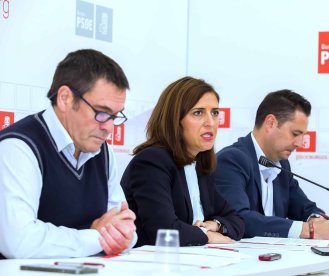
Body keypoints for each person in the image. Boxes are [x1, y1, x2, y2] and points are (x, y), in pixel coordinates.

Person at [0, 49, 137, 259]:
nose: (109, 128)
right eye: (101, 113)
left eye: (115, 116)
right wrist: (96, 237)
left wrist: (123, 236)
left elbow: (121, 227)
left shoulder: (103, 153)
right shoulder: (18, 146)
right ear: (65, 98)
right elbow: (19, 242)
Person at [121, 76, 244, 246]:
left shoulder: (199, 165)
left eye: (215, 113)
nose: (210, 122)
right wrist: (206, 236)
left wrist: (215, 225)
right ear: (175, 120)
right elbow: (163, 230)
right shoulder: (152, 162)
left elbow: (236, 220)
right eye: (198, 113)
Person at [214, 90, 329, 240]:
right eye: (295, 133)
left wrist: (316, 220)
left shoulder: (282, 164)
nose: (300, 143)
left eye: (303, 136)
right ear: (270, 123)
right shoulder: (231, 160)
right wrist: (309, 230)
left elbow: (305, 208)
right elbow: (238, 219)